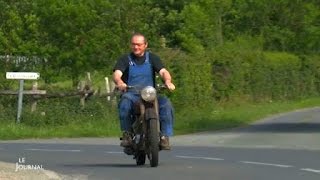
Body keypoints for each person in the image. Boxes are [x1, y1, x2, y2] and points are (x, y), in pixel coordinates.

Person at [113, 33, 175, 150]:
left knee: (166, 103)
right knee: (125, 102)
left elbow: (163, 71)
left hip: (150, 94)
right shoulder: (125, 59)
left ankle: (164, 137)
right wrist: (120, 83)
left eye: (139, 44)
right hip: (132, 94)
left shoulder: (152, 58)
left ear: (145, 45)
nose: (136, 47)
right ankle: (127, 134)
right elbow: (117, 74)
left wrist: (167, 81)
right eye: (133, 44)